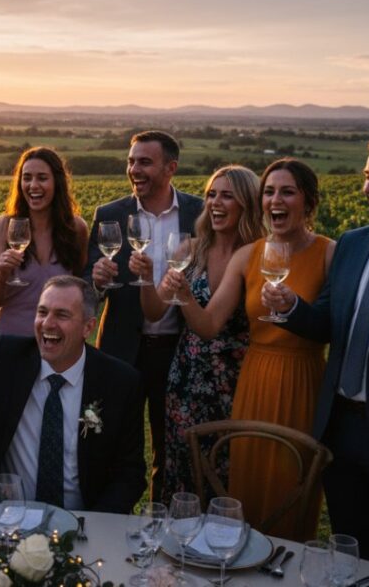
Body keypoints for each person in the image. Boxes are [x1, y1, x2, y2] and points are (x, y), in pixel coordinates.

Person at [263, 133, 369, 572]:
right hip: (341, 432)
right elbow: (331, 323)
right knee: (352, 557)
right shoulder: (353, 243)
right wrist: (293, 307)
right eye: (368, 175)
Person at [160, 158, 334, 541]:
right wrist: (185, 294)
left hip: (303, 382)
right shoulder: (249, 255)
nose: (276, 199)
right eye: (269, 191)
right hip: (253, 381)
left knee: (293, 488)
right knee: (245, 485)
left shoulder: (329, 253)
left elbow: (336, 326)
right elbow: (207, 326)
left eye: (287, 191)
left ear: (308, 201)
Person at [0, 275, 146, 513]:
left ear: (88, 327)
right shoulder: (9, 358)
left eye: (61, 315)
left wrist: (93, 526)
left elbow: (130, 474)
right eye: (42, 312)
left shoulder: (120, 382)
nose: (47, 323)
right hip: (6, 519)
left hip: (84, 521)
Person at [131, 165, 262, 503]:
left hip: (235, 379)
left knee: (227, 470)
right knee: (183, 464)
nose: (216, 203)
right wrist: (147, 277)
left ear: (247, 203)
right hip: (187, 378)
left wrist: (186, 296)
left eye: (227, 196)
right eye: (211, 195)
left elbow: (209, 327)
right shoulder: (190, 249)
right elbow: (155, 311)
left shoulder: (256, 256)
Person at [84, 130, 203, 499]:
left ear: (171, 168)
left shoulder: (199, 213)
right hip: (121, 348)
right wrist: (97, 281)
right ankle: (112, 518)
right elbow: (90, 290)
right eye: (131, 161)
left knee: (172, 448)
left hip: (179, 348)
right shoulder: (110, 215)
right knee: (115, 442)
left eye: (144, 162)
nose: (134, 169)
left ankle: (163, 518)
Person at [0, 147, 88, 345]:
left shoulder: (76, 228)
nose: (33, 185)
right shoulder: (3, 226)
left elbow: (82, 291)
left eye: (42, 178)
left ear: (57, 182)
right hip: (10, 341)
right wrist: (4, 273)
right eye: (27, 178)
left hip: (59, 343)